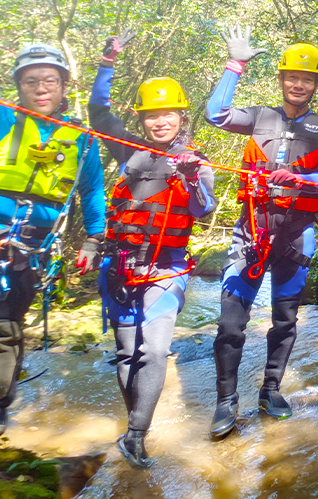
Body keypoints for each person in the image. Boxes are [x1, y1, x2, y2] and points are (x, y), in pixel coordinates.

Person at [86, 32, 216, 467]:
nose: (160, 122)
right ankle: (134, 428)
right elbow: (98, 112)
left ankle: (137, 434)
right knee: (126, 354)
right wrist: (108, 62)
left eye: (167, 114)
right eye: (152, 115)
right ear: (143, 119)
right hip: (121, 267)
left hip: (167, 268)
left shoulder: (196, 161)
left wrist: (192, 177)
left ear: (181, 116)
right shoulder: (128, 151)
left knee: (154, 351)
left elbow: (203, 209)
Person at [206, 27, 318, 437]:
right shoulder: (260, 117)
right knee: (231, 323)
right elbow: (215, 114)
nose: (299, 84)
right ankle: (225, 401)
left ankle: (271, 389)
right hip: (252, 231)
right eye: (292, 77)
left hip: (296, 235)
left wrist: (300, 179)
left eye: (307, 79)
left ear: (315, 85)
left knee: (284, 319)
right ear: (281, 80)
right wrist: (235, 65)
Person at [0, 43, 105, 434]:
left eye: (50, 80)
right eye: (31, 81)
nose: (41, 88)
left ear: (63, 86)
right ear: (20, 86)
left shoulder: (81, 137)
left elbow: (92, 190)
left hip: (32, 246)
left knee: (8, 325)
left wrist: (94, 239)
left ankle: (0, 402)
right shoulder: (4, 119)